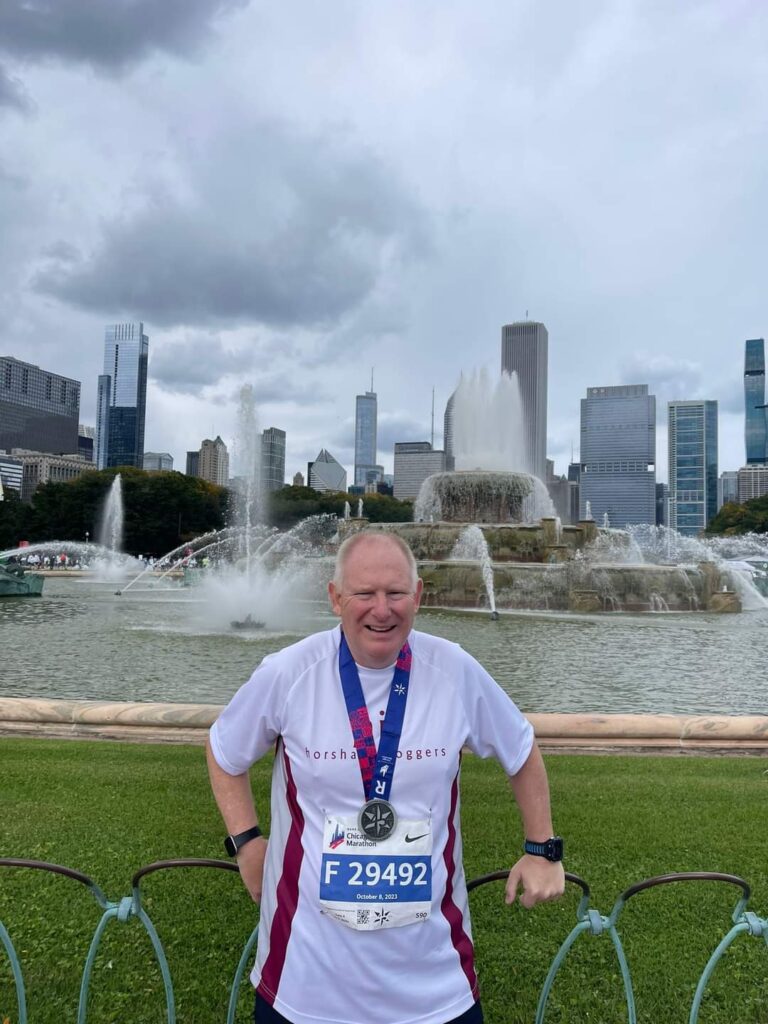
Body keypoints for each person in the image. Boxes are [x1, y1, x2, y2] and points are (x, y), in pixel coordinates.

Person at [207, 532, 565, 1024]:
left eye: (396, 593)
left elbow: (521, 751)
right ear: (335, 598)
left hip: (435, 985)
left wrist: (542, 848)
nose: (382, 610)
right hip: (304, 982)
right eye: (364, 594)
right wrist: (247, 843)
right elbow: (225, 751)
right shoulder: (289, 673)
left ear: (418, 596)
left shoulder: (454, 669)